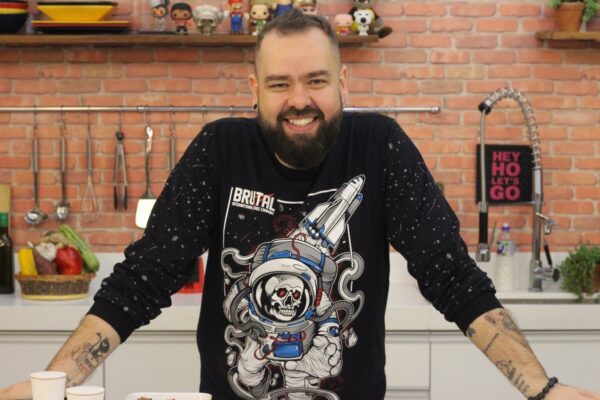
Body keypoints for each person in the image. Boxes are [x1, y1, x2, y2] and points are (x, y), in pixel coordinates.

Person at [1, 9, 599, 400]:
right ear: (254, 89)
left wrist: (543, 390)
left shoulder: (380, 146)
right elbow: (144, 278)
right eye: (280, 83)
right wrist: (48, 387)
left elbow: (452, 276)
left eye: (315, 80)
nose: (299, 100)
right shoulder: (220, 149)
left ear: (343, 84)